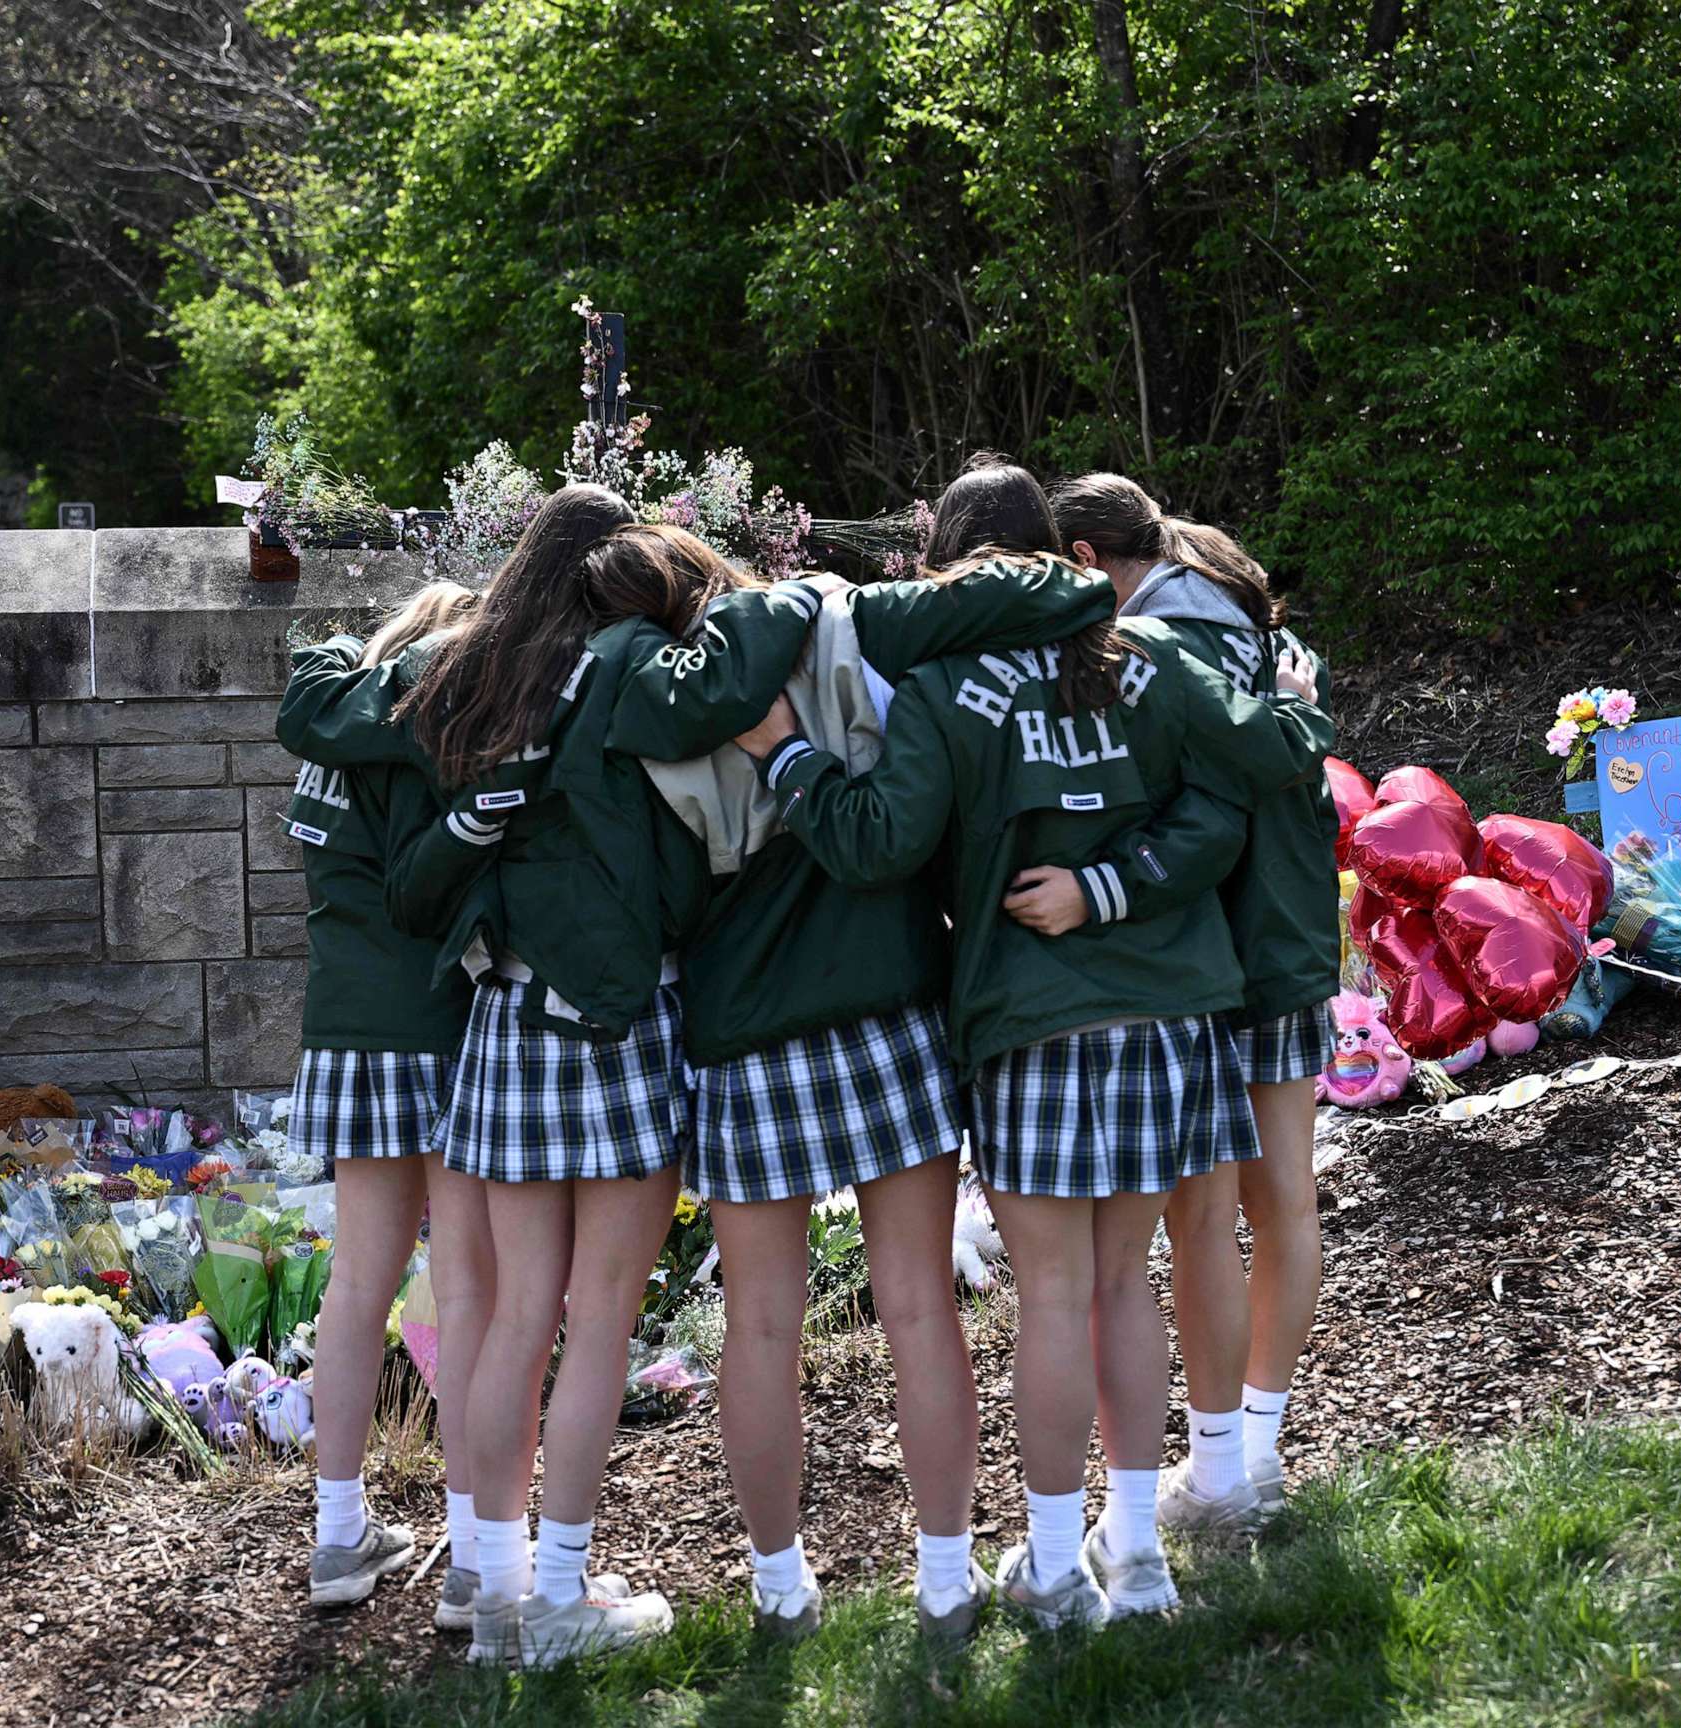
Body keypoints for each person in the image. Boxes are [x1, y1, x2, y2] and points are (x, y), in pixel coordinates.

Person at [733, 460, 1331, 1629]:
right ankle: (1139, 1553)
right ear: (1061, 557)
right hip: (1170, 1017)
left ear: (952, 574)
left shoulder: (944, 685)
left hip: (1032, 1023)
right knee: (1123, 1285)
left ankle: (1058, 1570)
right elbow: (1236, 793)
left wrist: (786, 754)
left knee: (1057, 1298)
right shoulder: (1145, 658)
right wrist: (1290, 717)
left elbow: (875, 846)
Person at [281, 485, 821, 1669]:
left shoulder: (471, 680)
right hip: (619, 1024)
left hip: (502, 1024)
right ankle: (557, 1603)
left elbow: (325, 709)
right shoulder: (622, 677)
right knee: (598, 1327)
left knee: (515, 1319)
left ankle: (494, 1585)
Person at [600, 515, 1116, 1645]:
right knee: (923, 1307)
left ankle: (780, 1589)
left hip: (742, 1036)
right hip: (888, 1007)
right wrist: (1079, 585)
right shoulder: (841, 618)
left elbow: (653, 902)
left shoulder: (624, 705)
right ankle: (943, 1579)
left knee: (761, 1330)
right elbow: (1037, 594)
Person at [1041, 474, 1339, 1520]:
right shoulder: (1224, 596)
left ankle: (1233, 1461)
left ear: (1085, 558)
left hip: (1217, 945)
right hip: (1290, 926)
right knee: (1284, 1196)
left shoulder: (1159, 641)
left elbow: (1212, 794)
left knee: (1207, 1216)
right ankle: (1254, 1445)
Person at [274, 578, 490, 1614]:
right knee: (463, 1289)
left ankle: (338, 1533)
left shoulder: (330, 732)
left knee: (357, 1288)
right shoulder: (422, 739)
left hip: (344, 1029)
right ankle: (474, 1544)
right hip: (438, 1025)